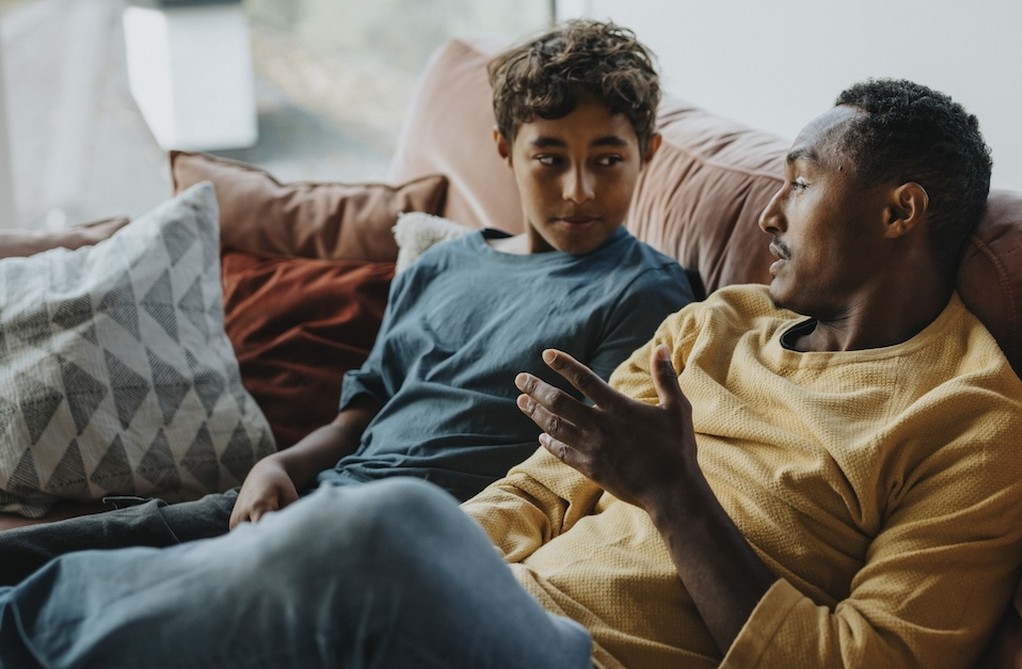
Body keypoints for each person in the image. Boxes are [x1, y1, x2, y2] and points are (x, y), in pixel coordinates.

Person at [0, 79, 1022, 669]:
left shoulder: (971, 422)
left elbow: (860, 661)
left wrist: (675, 494)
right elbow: (539, 489)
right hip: (499, 617)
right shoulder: (719, 325)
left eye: (801, 184)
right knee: (354, 550)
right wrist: (446, 576)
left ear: (899, 211)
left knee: (383, 526)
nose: (771, 215)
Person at [0, 19, 692, 585]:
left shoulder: (643, 294)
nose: (578, 189)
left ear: (648, 153)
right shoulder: (444, 263)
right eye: (550, 158)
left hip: (393, 542)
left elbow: (577, 482)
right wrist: (279, 466)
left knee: (98, 607)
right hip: (309, 498)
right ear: (504, 149)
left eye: (607, 159)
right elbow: (362, 414)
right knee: (47, 554)